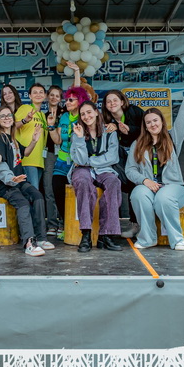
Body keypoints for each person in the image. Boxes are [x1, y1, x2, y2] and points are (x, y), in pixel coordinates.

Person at [126, 74, 184, 251]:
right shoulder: (137, 144)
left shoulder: (172, 138)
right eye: (148, 122)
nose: (152, 124)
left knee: (163, 197)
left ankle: (177, 239)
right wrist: (144, 181)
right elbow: (130, 170)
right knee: (138, 194)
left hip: (173, 187)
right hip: (149, 187)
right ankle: (147, 239)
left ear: (161, 122)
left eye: (155, 120)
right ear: (145, 126)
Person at [0, 106, 55, 256]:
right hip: (7, 185)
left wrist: (34, 140)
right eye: (3, 116)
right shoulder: (0, 137)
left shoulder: (13, 139)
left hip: (20, 181)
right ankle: (29, 242)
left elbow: (25, 152)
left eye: (9, 115)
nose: (7, 118)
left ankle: (41, 238)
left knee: (38, 196)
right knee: (23, 203)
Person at [70, 101, 122, 253]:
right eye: (83, 114)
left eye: (89, 112)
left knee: (113, 182)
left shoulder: (109, 131)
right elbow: (79, 160)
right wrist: (80, 138)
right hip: (82, 170)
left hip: (104, 169)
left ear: (96, 112)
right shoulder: (76, 133)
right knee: (82, 181)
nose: (86, 116)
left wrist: (89, 161)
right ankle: (86, 234)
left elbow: (113, 157)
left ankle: (106, 235)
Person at [47, 85, 91, 240]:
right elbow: (58, 140)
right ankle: (66, 223)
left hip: (78, 162)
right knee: (57, 187)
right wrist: (51, 126)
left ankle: (82, 226)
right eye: (66, 100)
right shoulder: (64, 117)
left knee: (79, 192)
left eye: (71, 100)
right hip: (62, 160)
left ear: (80, 100)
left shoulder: (85, 116)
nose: (67, 102)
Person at [102, 90, 145, 238]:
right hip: (120, 157)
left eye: (115, 100)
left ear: (122, 102)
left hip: (140, 154)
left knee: (139, 185)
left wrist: (129, 130)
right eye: (108, 101)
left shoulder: (134, 111)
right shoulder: (106, 119)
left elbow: (148, 129)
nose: (112, 103)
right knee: (128, 185)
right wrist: (112, 129)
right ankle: (134, 225)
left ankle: (144, 225)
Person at [14, 83, 47, 190]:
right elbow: (12, 126)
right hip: (27, 158)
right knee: (33, 191)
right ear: (30, 96)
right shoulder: (25, 108)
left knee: (34, 191)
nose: (38, 94)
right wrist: (25, 120)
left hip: (39, 160)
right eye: (35, 92)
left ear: (45, 96)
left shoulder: (43, 115)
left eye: (41, 92)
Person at [43, 85, 65, 236]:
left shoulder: (65, 114)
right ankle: (52, 223)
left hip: (64, 155)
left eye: (57, 95)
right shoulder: (42, 115)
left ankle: (63, 222)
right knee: (48, 188)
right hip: (49, 154)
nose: (54, 98)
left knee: (63, 189)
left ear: (61, 99)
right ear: (47, 97)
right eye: (51, 95)